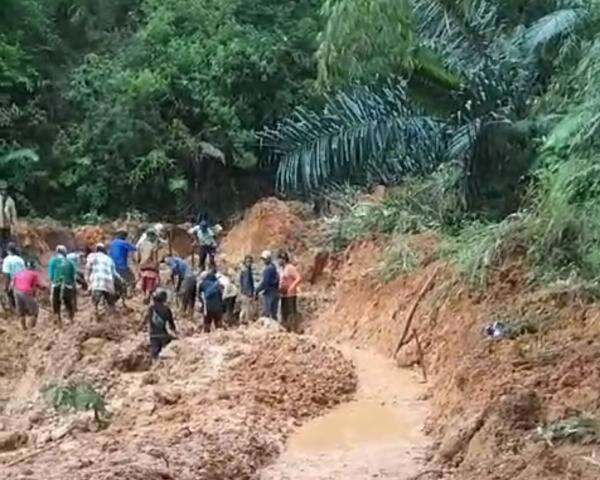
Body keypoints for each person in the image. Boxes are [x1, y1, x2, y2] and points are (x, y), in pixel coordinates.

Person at [140, 289, 177, 360]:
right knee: (166, 353)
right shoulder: (167, 309)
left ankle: (155, 365)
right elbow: (171, 325)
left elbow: (144, 321)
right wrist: (175, 333)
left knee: (154, 354)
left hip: (153, 335)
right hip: (163, 335)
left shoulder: (151, 309)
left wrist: (139, 329)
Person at [86, 243, 119, 316]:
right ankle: (113, 318)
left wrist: (88, 283)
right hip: (108, 284)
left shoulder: (92, 257)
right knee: (111, 304)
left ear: (96, 250)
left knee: (95, 304)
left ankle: (96, 313)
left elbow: (87, 270)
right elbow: (114, 274)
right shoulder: (109, 259)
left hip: (96, 284)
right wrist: (121, 280)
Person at [12, 260, 45, 330]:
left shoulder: (18, 273)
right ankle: (31, 329)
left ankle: (24, 328)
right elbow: (37, 285)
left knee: (21, 312)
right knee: (35, 311)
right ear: (33, 267)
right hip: (26, 291)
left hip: (16, 291)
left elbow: (12, 285)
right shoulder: (34, 274)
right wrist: (44, 288)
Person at [48, 245, 77, 325]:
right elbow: (73, 278)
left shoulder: (53, 261)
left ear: (57, 252)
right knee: (69, 304)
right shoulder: (70, 262)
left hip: (56, 285)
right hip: (68, 286)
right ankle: (71, 319)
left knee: (55, 304)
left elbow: (50, 276)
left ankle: (58, 319)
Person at [278, 250, 302, 332]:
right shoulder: (282, 269)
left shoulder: (290, 268)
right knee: (284, 313)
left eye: (280, 259)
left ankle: (293, 329)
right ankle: (286, 329)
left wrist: (292, 287)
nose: (278, 261)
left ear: (284, 259)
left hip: (291, 295)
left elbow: (298, 278)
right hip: (284, 294)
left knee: (291, 313)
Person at [197, 266, 224, 333]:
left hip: (207, 307)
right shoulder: (217, 284)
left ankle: (206, 336)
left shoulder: (202, 283)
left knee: (207, 324)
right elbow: (221, 296)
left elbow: (198, 294)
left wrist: (202, 303)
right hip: (217, 307)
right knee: (218, 326)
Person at [137, 230, 161, 302]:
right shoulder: (154, 247)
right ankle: (147, 296)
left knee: (143, 283)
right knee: (151, 284)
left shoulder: (141, 245)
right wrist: (157, 269)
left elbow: (138, 258)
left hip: (142, 267)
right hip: (151, 267)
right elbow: (155, 259)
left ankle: (144, 296)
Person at [255, 250, 279, 320]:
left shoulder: (268, 269)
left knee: (267, 312)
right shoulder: (273, 267)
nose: (263, 261)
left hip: (269, 293)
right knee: (273, 312)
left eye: (264, 259)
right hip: (275, 291)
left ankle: (268, 328)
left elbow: (264, 283)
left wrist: (257, 291)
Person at [2, 242, 25, 311]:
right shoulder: (20, 259)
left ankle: (15, 311)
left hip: (13, 283)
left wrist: (6, 287)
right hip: (22, 282)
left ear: (8, 250)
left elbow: (7, 276)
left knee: (10, 295)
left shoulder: (6, 260)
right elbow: (24, 272)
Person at [0, 181, 17, 258]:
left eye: (5, 190)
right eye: (2, 190)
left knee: (7, 240)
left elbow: (13, 214)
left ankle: (6, 254)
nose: (4, 191)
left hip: (7, 224)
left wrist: (14, 224)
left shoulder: (10, 201)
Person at [238, 255, 257, 324]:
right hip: (246, 293)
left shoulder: (244, 270)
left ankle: (241, 321)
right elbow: (247, 283)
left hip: (243, 292)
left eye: (250, 262)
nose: (249, 263)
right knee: (247, 309)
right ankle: (245, 322)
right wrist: (249, 293)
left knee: (244, 308)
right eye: (248, 262)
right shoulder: (246, 271)